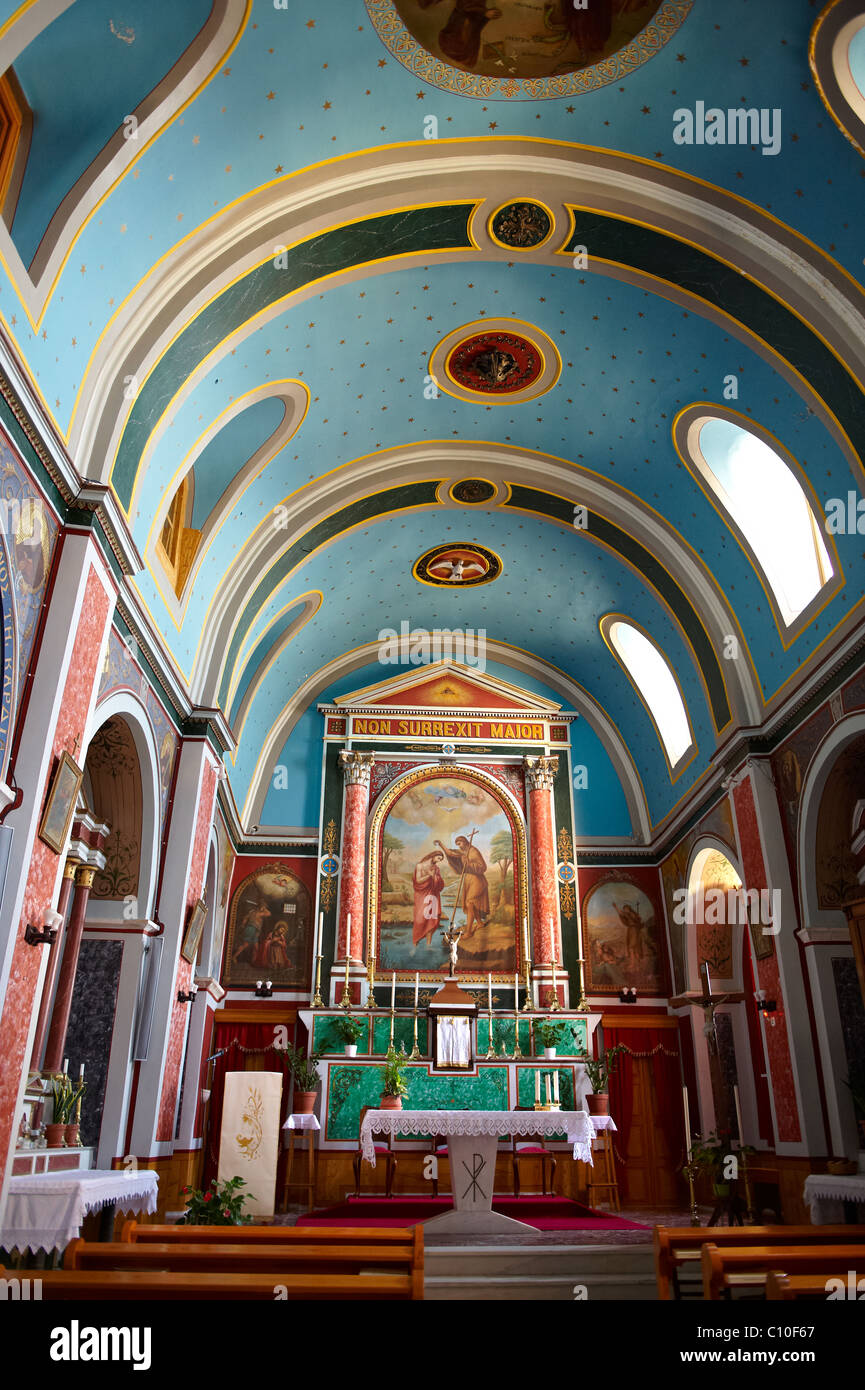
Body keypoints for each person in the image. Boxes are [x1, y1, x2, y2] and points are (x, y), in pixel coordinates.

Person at [435, 834, 490, 937]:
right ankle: (479, 923)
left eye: (460, 844)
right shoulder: (463, 852)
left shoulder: (474, 851)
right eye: (457, 844)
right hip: (468, 879)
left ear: (465, 842)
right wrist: (441, 845)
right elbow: (450, 853)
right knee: (471, 903)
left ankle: (468, 932)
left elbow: (483, 867)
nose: (459, 846)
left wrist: (468, 863)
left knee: (470, 902)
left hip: (477, 879)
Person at [412, 851, 445, 950]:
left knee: (432, 918)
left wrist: (436, 878)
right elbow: (418, 880)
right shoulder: (420, 866)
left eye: (440, 860)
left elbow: (439, 882)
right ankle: (415, 944)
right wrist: (430, 875)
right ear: (433, 856)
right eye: (439, 858)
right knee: (420, 919)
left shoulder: (436, 868)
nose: (439, 861)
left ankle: (428, 945)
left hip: (433, 894)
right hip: (422, 895)